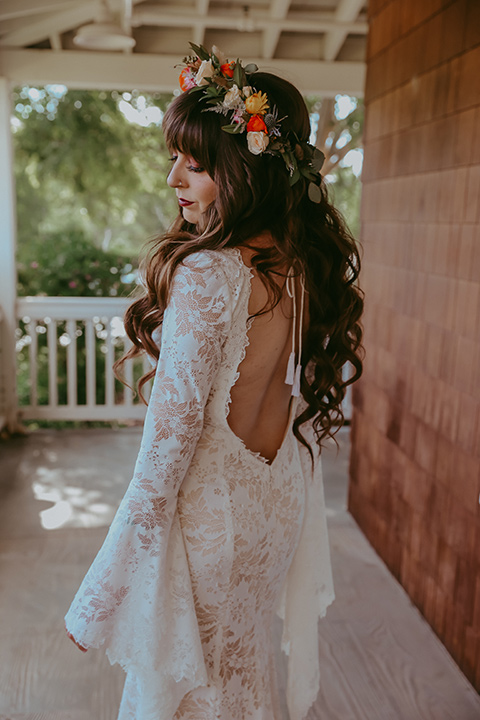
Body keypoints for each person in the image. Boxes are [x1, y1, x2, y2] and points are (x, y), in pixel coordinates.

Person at [65, 44, 364, 720]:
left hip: (207, 527)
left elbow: (163, 457)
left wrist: (99, 599)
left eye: (194, 165)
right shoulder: (300, 269)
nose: (174, 177)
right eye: (173, 159)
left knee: (184, 696)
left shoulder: (207, 276)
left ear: (244, 170)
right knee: (242, 679)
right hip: (271, 506)